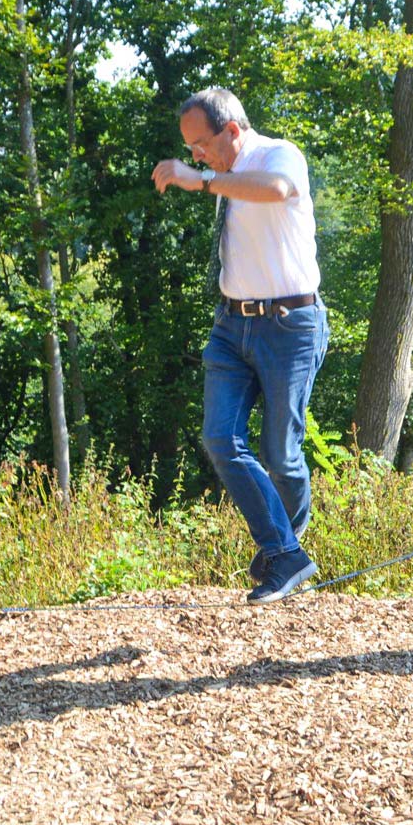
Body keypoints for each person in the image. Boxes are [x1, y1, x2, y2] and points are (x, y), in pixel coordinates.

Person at [152, 88, 329, 604]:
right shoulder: (226, 175)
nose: (197, 157)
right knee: (219, 438)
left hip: (290, 325)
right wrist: (209, 176)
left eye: (201, 145)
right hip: (232, 326)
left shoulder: (279, 154)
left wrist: (202, 180)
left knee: (282, 455)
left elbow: (275, 189)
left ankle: (285, 548)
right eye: (190, 151)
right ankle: (285, 553)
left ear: (231, 130)